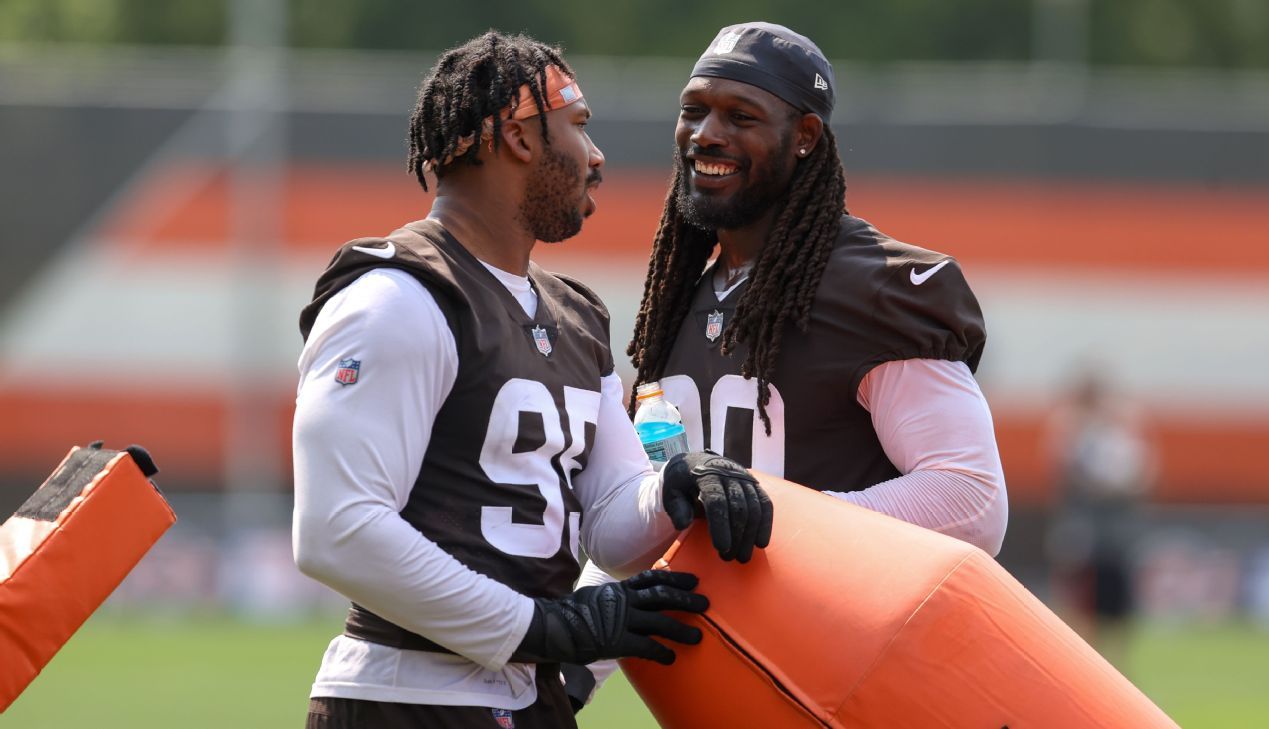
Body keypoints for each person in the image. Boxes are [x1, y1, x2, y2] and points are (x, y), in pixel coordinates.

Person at [291, 31, 772, 729]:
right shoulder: (398, 297)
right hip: (408, 700)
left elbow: (609, 520)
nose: (596, 156)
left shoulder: (576, 314)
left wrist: (672, 489)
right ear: (517, 138)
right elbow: (336, 530)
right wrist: (540, 626)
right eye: (578, 127)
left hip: (528, 699)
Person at [568, 21, 1008, 709]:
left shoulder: (877, 286)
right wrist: (578, 663)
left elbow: (971, 499)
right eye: (694, 110)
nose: (706, 134)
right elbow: (659, 517)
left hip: (857, 685)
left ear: (804, 136)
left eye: (741, 116)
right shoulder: (677, 296)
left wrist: (779, 513)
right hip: (724, 686)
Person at [1044, 369, 1154, 667]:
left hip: (1114, 535)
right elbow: (1067, 476)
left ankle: (1113, 665)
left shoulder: (1119, 437)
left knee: (1116, 604)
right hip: (1085, 533)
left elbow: (1139, 478)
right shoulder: (1074, 433)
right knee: (1081, 600)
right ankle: (1080, 662)